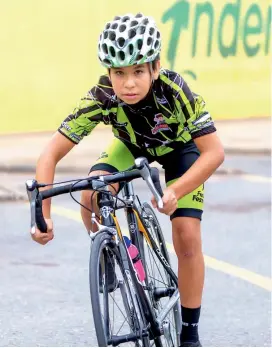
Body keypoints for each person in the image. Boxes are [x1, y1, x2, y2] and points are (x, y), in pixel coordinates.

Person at [31, 12, 225, 347]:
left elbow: (214, 153)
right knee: (93, 192)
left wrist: (175, 190)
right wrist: (43, 215)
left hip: (181, 150)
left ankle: (190, 333)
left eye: (138, 71)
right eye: (119, 73)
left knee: (187, 236)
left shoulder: (175, 92)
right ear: (109, 73)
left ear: (155, 66)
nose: (129, 82)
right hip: (130, 144)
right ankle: (106, 245)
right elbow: (50, 154)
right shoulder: (102, 96)